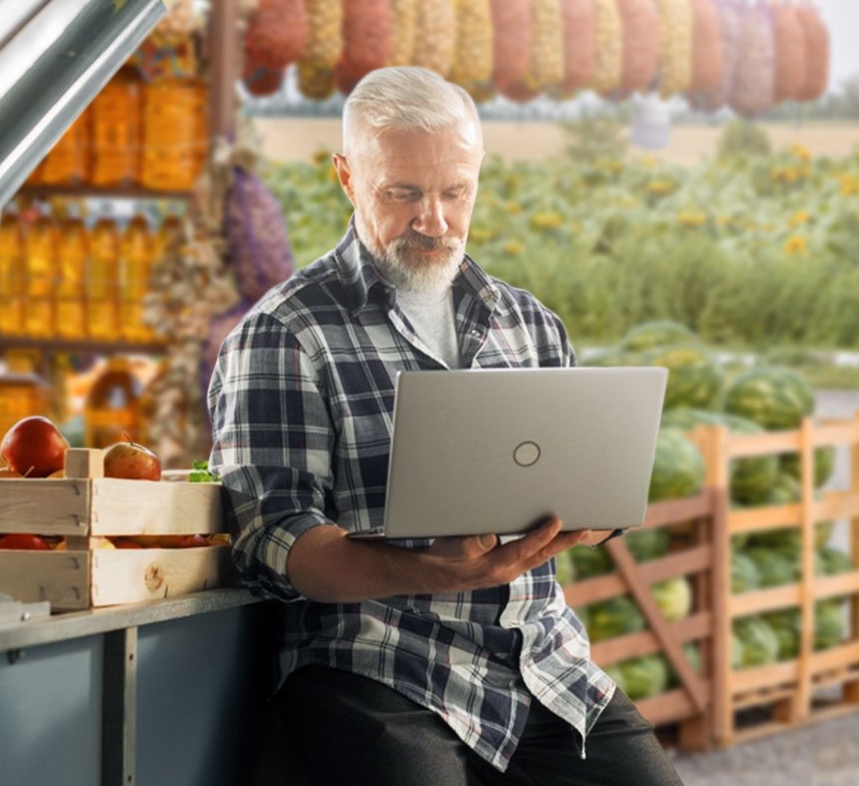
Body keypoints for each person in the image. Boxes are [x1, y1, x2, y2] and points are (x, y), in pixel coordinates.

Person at [208, 67, 683, 786]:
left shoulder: (528, 323)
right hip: (374, 669)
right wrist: (419, 568)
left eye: (454, 192)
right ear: (346, 176)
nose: (433, 219)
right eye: (402, 192)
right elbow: (269, 539)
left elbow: (586, 483)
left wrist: (595, 515)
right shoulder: (283, 334)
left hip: (539, 664)